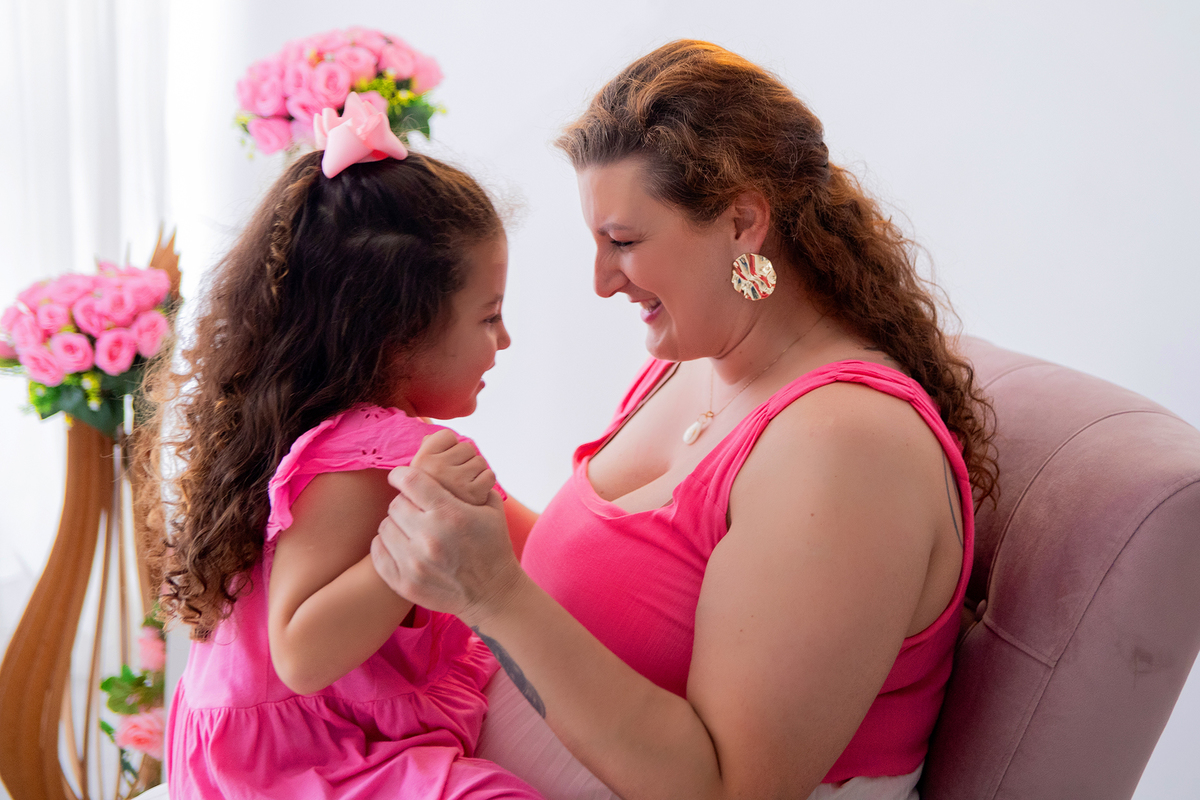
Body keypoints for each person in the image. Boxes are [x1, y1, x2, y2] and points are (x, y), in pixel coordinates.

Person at [369, 42, 998, 800]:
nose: (602, 283)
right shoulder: (693, 363)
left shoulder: (846, 448)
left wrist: (493, 597)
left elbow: (730, 788)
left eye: (624, 244)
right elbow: (628, 581)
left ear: (743, 223)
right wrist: (449, 502)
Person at [139, 95, 543, 799]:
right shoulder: (372, 454)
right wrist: (411, 554)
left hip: (305, 743)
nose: (504, 342)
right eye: (489, 316)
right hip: (291, 766)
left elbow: (547, 550)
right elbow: (299, 651)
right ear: (398, 330)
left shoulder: (368, 443)